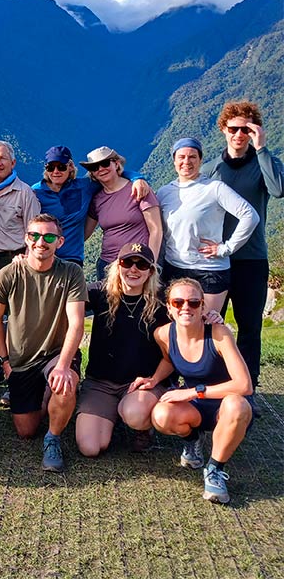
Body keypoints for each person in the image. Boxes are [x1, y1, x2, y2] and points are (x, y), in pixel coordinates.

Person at [0, 214, 86, 472]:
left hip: (56, 353)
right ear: (26, 238)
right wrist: (5, 361)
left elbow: (76, 324)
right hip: (22, 360)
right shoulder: (7, 275)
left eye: (49, 237)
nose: (41, 241)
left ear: (60, 242)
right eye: (35, 235)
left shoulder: (71, 273)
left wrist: (64, 366)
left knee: (64, 384)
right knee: (25, 430)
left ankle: (53, 438)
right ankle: (48, 396)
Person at [202, 100, 283, 388]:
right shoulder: (211, 169)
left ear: (254, 131)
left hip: (252, 259)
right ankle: (212, 385)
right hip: (216, 260)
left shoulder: (265, 164)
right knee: (212, 324)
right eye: (234, 128)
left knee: (250, 328)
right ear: (223, 129)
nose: (239, 134)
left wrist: (261, 148)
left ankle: (248, 387)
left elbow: (278, 190)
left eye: (246, 129)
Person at [150, 278, 254, 504]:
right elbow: (169, 360)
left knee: (236, 405)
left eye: (193, 303)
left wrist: (191, 392)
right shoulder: (163, 334)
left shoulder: (219, 333)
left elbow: (244, 385)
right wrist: (153, 380)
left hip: (225, 405)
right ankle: (192, 441)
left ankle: (215, 468)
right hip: (196, 407)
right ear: (169, 307)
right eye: (178, 302)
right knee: (161, 414)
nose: (185, 307)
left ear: (203, 307)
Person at [75, 243, 171, 456]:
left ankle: (142, 427)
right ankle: (113, 415)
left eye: (142, 265)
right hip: (101, 383)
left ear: (151, 271)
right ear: (117, 266)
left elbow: (192, 310)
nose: (134, 269)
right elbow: (66, 294)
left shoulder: (164, 301)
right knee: (90, 448)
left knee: (134, 413)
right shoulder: (100, 292)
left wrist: (212, 317)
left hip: (142, 384)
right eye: (127, 262)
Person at [157, 137, 258, 312]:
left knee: (207, 326)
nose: (186, 162)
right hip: (174, 268)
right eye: (181, 157)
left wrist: (226, 249)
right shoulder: (164, 192)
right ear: (174, 160)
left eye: (192, 157)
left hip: (209, 270)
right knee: (177, 326)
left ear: (200, 160)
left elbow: (250, 215)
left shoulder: (214, 188)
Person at [0, 140, 41, 385]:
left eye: (3, 158)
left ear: (13, 162)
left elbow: (34, 230)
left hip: (16, 258)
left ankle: (17, 363)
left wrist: (29, 259)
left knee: (18, 316)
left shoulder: (25, 192)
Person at [32, 145, 149, 266]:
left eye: (61, 167)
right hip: (43, 256)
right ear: (46, 170)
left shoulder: (85, 187)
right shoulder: (35, 193)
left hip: (72, 260)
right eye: (51, 167)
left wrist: (137, 178)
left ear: (71, 167)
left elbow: (112, 175)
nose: (56, 171)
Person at [83, 146, 162, 279]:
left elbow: (156, 230)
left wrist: (150, 262)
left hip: (137, 263)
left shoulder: (139, 189)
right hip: (107, 265)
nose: (101, 169)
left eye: (105, 163)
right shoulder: (97, 199)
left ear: (116, 164)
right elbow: (84, 234)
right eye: (95, 167)